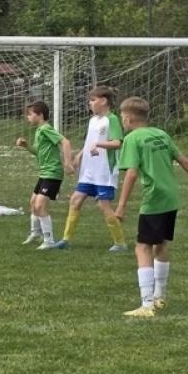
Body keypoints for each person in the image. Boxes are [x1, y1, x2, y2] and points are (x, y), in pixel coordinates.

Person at [113, 97, 188, 318]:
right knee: (160, 245)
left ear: (128, 118)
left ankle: (147, 303)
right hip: (171, 197)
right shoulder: (161, 134)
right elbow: (184, 160)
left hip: (154, 197)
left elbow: (131, 173)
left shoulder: (132, 139)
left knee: (142, 247)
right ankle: (160, 296)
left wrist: (121, 206)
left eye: (122, 117)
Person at [60, 85, 127, 252]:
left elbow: (117, 143)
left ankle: (120, 243)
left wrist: (99, 144)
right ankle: (65, 240)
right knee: (75, 200)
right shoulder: (92, 121)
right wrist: (80, 155)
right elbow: (90, 142)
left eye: (92, 100)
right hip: (88, 171)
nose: (90, 103)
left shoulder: (111, 119)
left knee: (103, 206)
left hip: (104, 172)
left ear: (103, 101)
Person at [15, 101, 73, 250]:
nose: (28, 117)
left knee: (40, 206)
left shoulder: (46, 128)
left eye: (30, 114)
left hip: (53, 173)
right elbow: (38, 153)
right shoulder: (39, 130)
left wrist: (67, 163)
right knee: (33, 203)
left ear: (40, 115)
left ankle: (49, 240)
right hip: (44, 173)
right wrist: (26, 146)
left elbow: (65, 142)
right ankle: (36, 233)